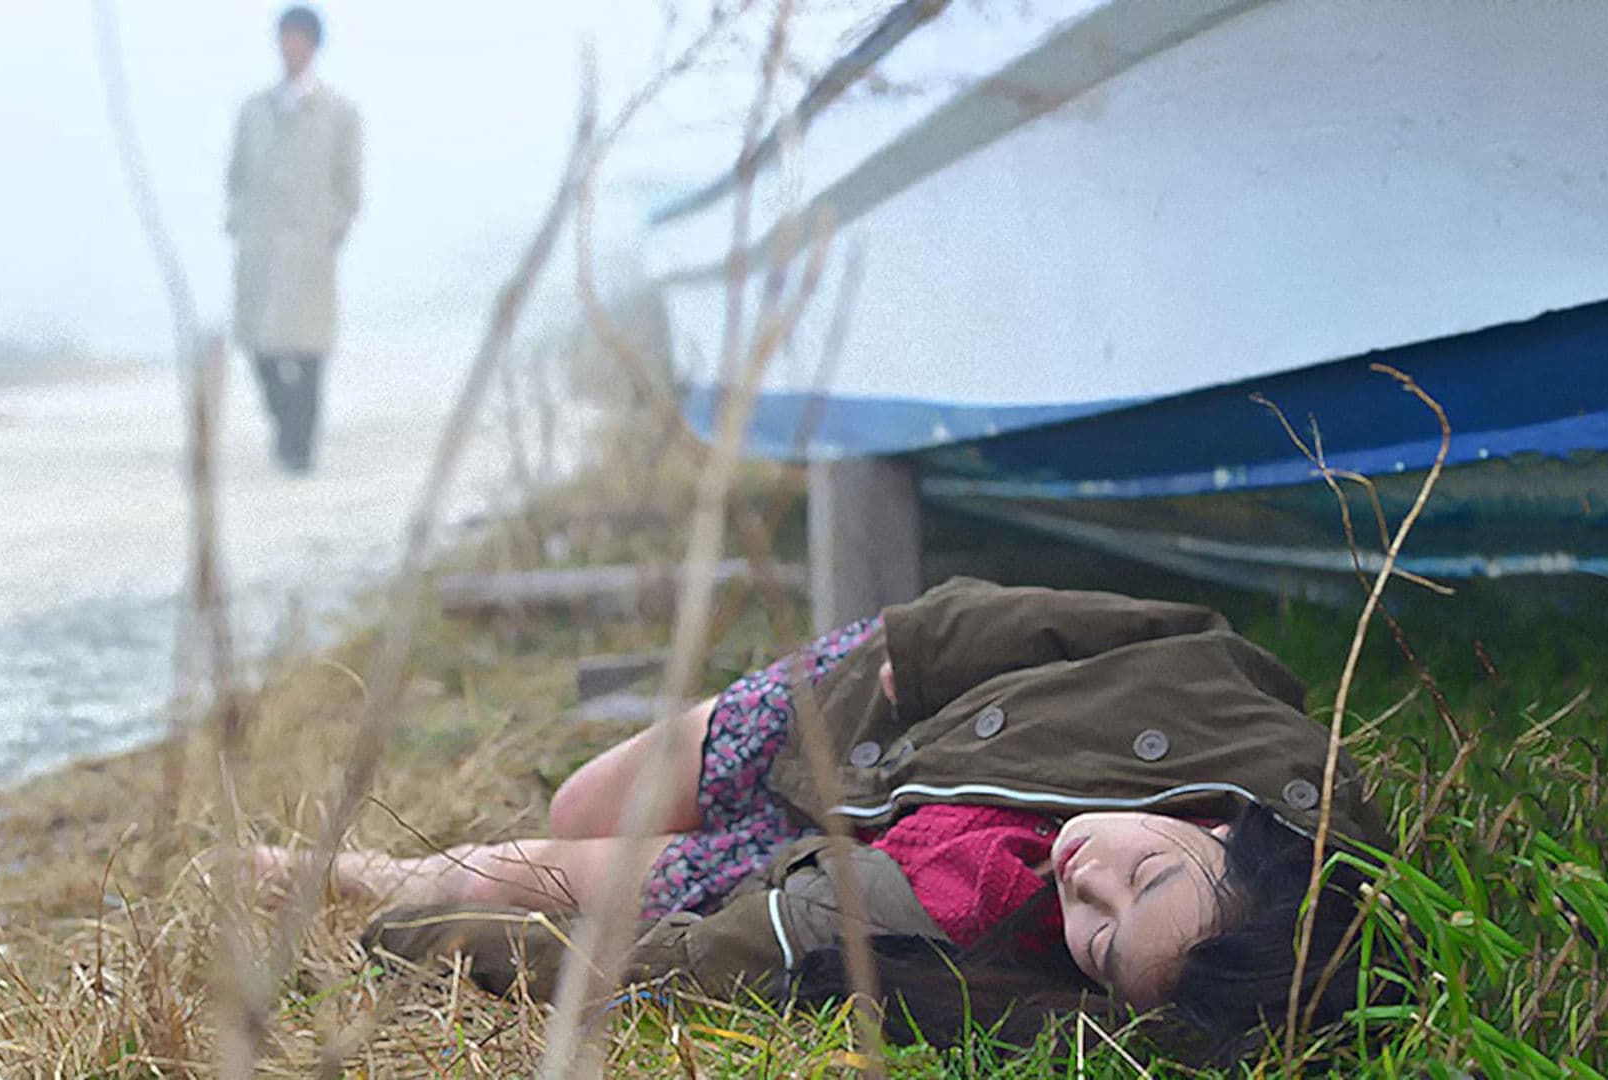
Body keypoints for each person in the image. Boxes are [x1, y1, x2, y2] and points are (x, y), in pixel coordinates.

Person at [260, 579, 1390, 1059]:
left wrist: (417, 936)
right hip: (862, 713)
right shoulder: (1254, 751)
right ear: (1232, 831)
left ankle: (340, 872)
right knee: (581, 798)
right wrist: (925, 640)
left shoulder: (982, 969)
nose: (1081, 878)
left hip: (813, 856)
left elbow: (685, 965)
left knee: (509, 876)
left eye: (1100, 937)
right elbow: (1157, 628)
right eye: (1146, 876)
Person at [226, 5, 362, 472]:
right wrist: (239, 224)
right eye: (284, 38)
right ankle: (284, 426)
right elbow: (236, 176)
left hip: (310, 249)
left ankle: (299, 445)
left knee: (307, 353)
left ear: (313, 46)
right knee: (260, 346)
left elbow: (349, 184)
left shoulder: (339, 114)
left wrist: (333, 229)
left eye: (298, 39)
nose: (290, 48)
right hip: (260, 248)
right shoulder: (254, 111)